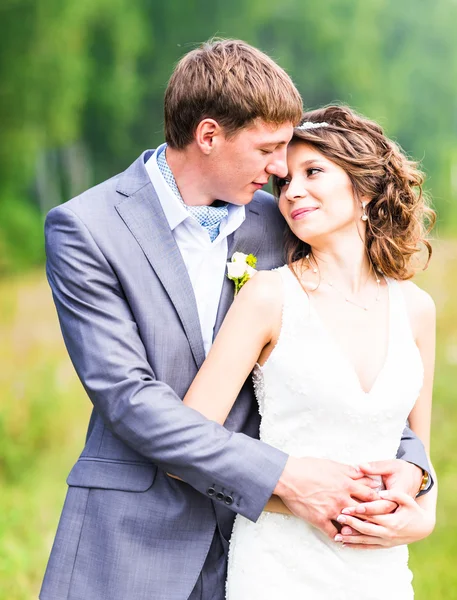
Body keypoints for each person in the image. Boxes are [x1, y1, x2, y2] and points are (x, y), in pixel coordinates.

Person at [40, 40, 433, 600]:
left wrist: (416, 471)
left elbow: (347, 371)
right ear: (208, 136)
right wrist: (284, 477)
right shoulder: (87, 229)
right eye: (270, 149)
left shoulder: (284, 224)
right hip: (138, 534)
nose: (281, 171)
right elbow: (128, 397)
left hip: (269, 539)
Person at [181, 105, 437, 598]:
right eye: (284, 182)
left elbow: (419, 460)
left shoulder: (417, 309)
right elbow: (191, 439)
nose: (292, 191)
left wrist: (420, 522)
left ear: (364, 189)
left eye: (313, 172)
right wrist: (295, 497)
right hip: (279, 568)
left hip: (379, 571)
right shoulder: (267, 297)